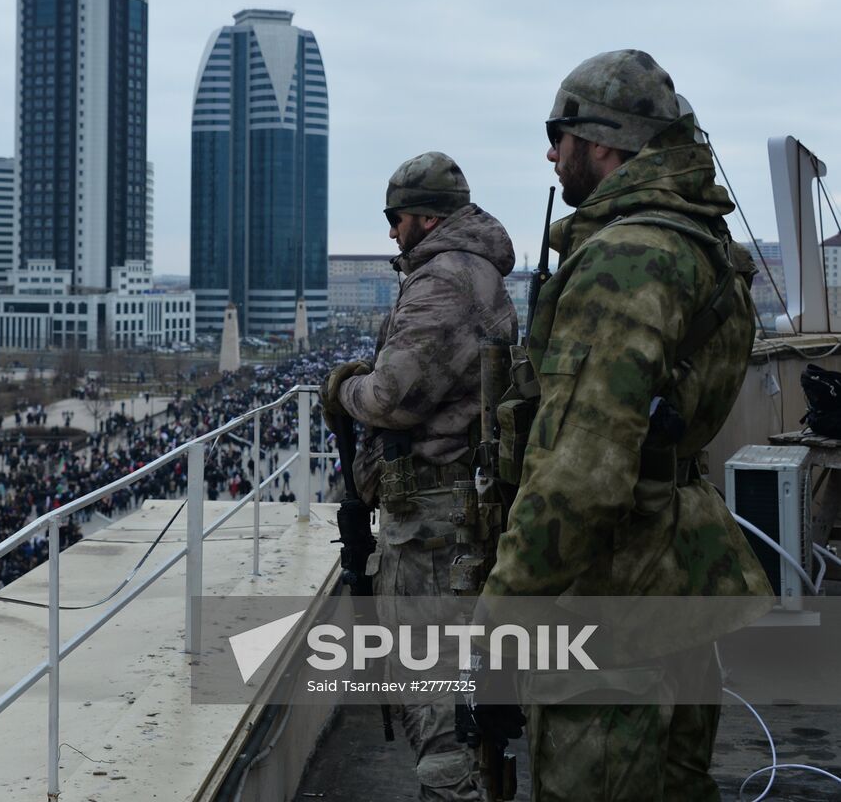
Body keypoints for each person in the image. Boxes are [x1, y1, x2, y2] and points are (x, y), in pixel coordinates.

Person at [481, 50, 772, 800]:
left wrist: (500, 614)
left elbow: (584, 467)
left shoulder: (627, 257)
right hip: (671, 580)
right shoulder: (696, 240)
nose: (551, 152)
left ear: (604, 142)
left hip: (606, 597)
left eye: (560, 133)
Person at [319, 152, 516, 801]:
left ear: (426, 216)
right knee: (466, 701)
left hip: (433, 514)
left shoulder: (441, 284)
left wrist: (344, 390)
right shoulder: (473, 273)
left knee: (434, 704)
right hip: (462, 504)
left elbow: (388, 398)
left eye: (394, 216)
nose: (390, 231)